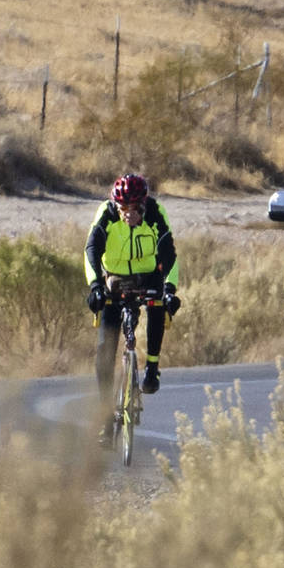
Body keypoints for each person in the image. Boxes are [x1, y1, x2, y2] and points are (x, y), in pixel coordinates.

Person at [84, 174, 181, 441]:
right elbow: (91, 250)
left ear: (143, 205)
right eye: (123, 208)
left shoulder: (155, 213)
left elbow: (170, 255)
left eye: (134, 209)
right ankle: (105, 418)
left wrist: (170, 290)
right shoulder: (106, 214)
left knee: (158, 304)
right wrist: (94, 286)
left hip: (148, 275)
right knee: (105, 350)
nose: (128, 215)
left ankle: (151, 366)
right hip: (115, 278)